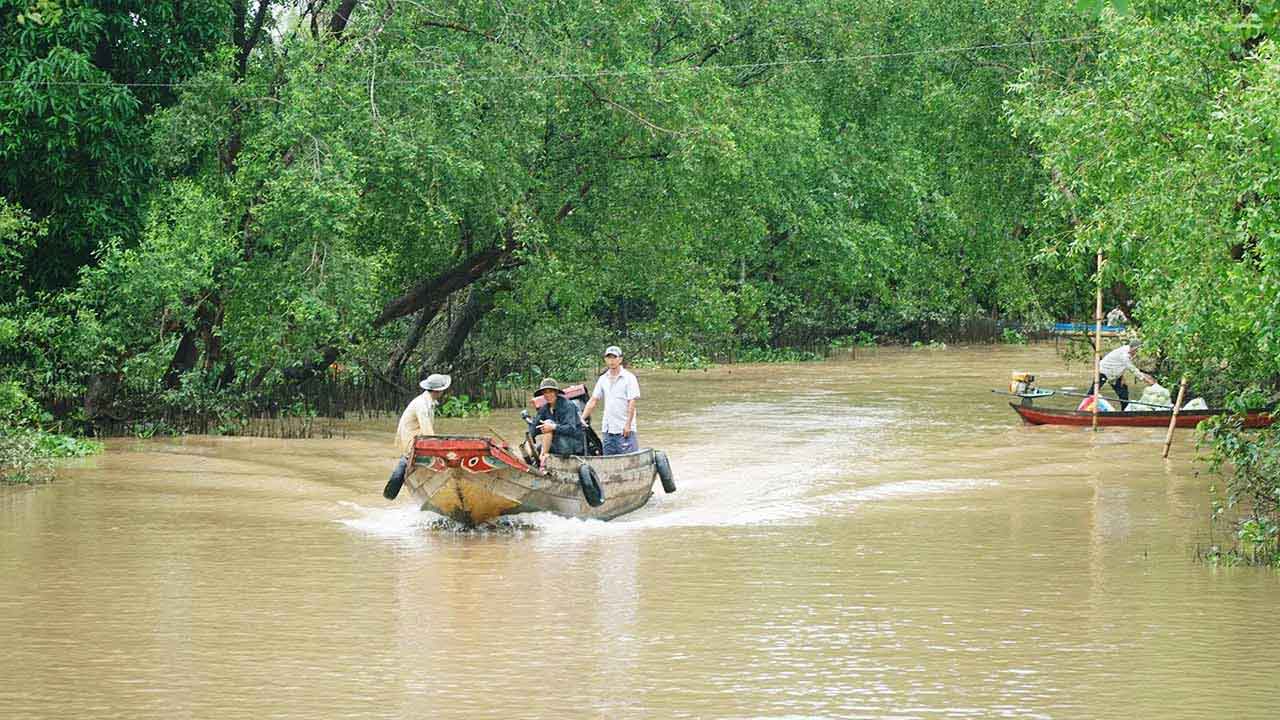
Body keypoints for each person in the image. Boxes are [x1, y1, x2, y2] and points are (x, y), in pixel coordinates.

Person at [383, 373, 450, 500]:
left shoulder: (428, 401)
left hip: (413, 439)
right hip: (411, 441)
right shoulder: (422, 404)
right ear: (439, 390)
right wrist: (439, 450)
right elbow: (427, 431)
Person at [580, 345, 640, 455]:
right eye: (609, 358)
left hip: (624, 429)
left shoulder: (629, 378)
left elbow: (631, 403)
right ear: (605, 360)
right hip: (608, 429)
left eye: (614, 357)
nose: (611, 361)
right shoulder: (603, 379)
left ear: (620, 359)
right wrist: (582, 418)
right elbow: (593, 400)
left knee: (629, 461)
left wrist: (628, 425)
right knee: (609, 460)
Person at [1088, 339, 1156, 409]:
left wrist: (1122, 376)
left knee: (1123, 392)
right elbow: (1132, 369)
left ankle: (1125, 411)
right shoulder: (1124, 355)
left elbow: (1120, 365)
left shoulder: (1130, 351)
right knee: (1093, 392)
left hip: (1114, 372)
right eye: (1136, 350)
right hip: (1104, 371)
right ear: (1133, 348)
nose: (1137, 352)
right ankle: (1084, 409)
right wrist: (1145, 379)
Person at [534, 377, 586, 466]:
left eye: (550, 391)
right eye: (545, 392)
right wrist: (530, 438)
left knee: (548, 425)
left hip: (572, 444)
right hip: (557, 442)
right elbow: (535, 426)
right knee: (536, 447)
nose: (548, 395)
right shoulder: (544, 408)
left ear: (556, 392)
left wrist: (553, 427)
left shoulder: (568, 406)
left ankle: (543, 461)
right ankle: (540, 458)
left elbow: (571, 429)